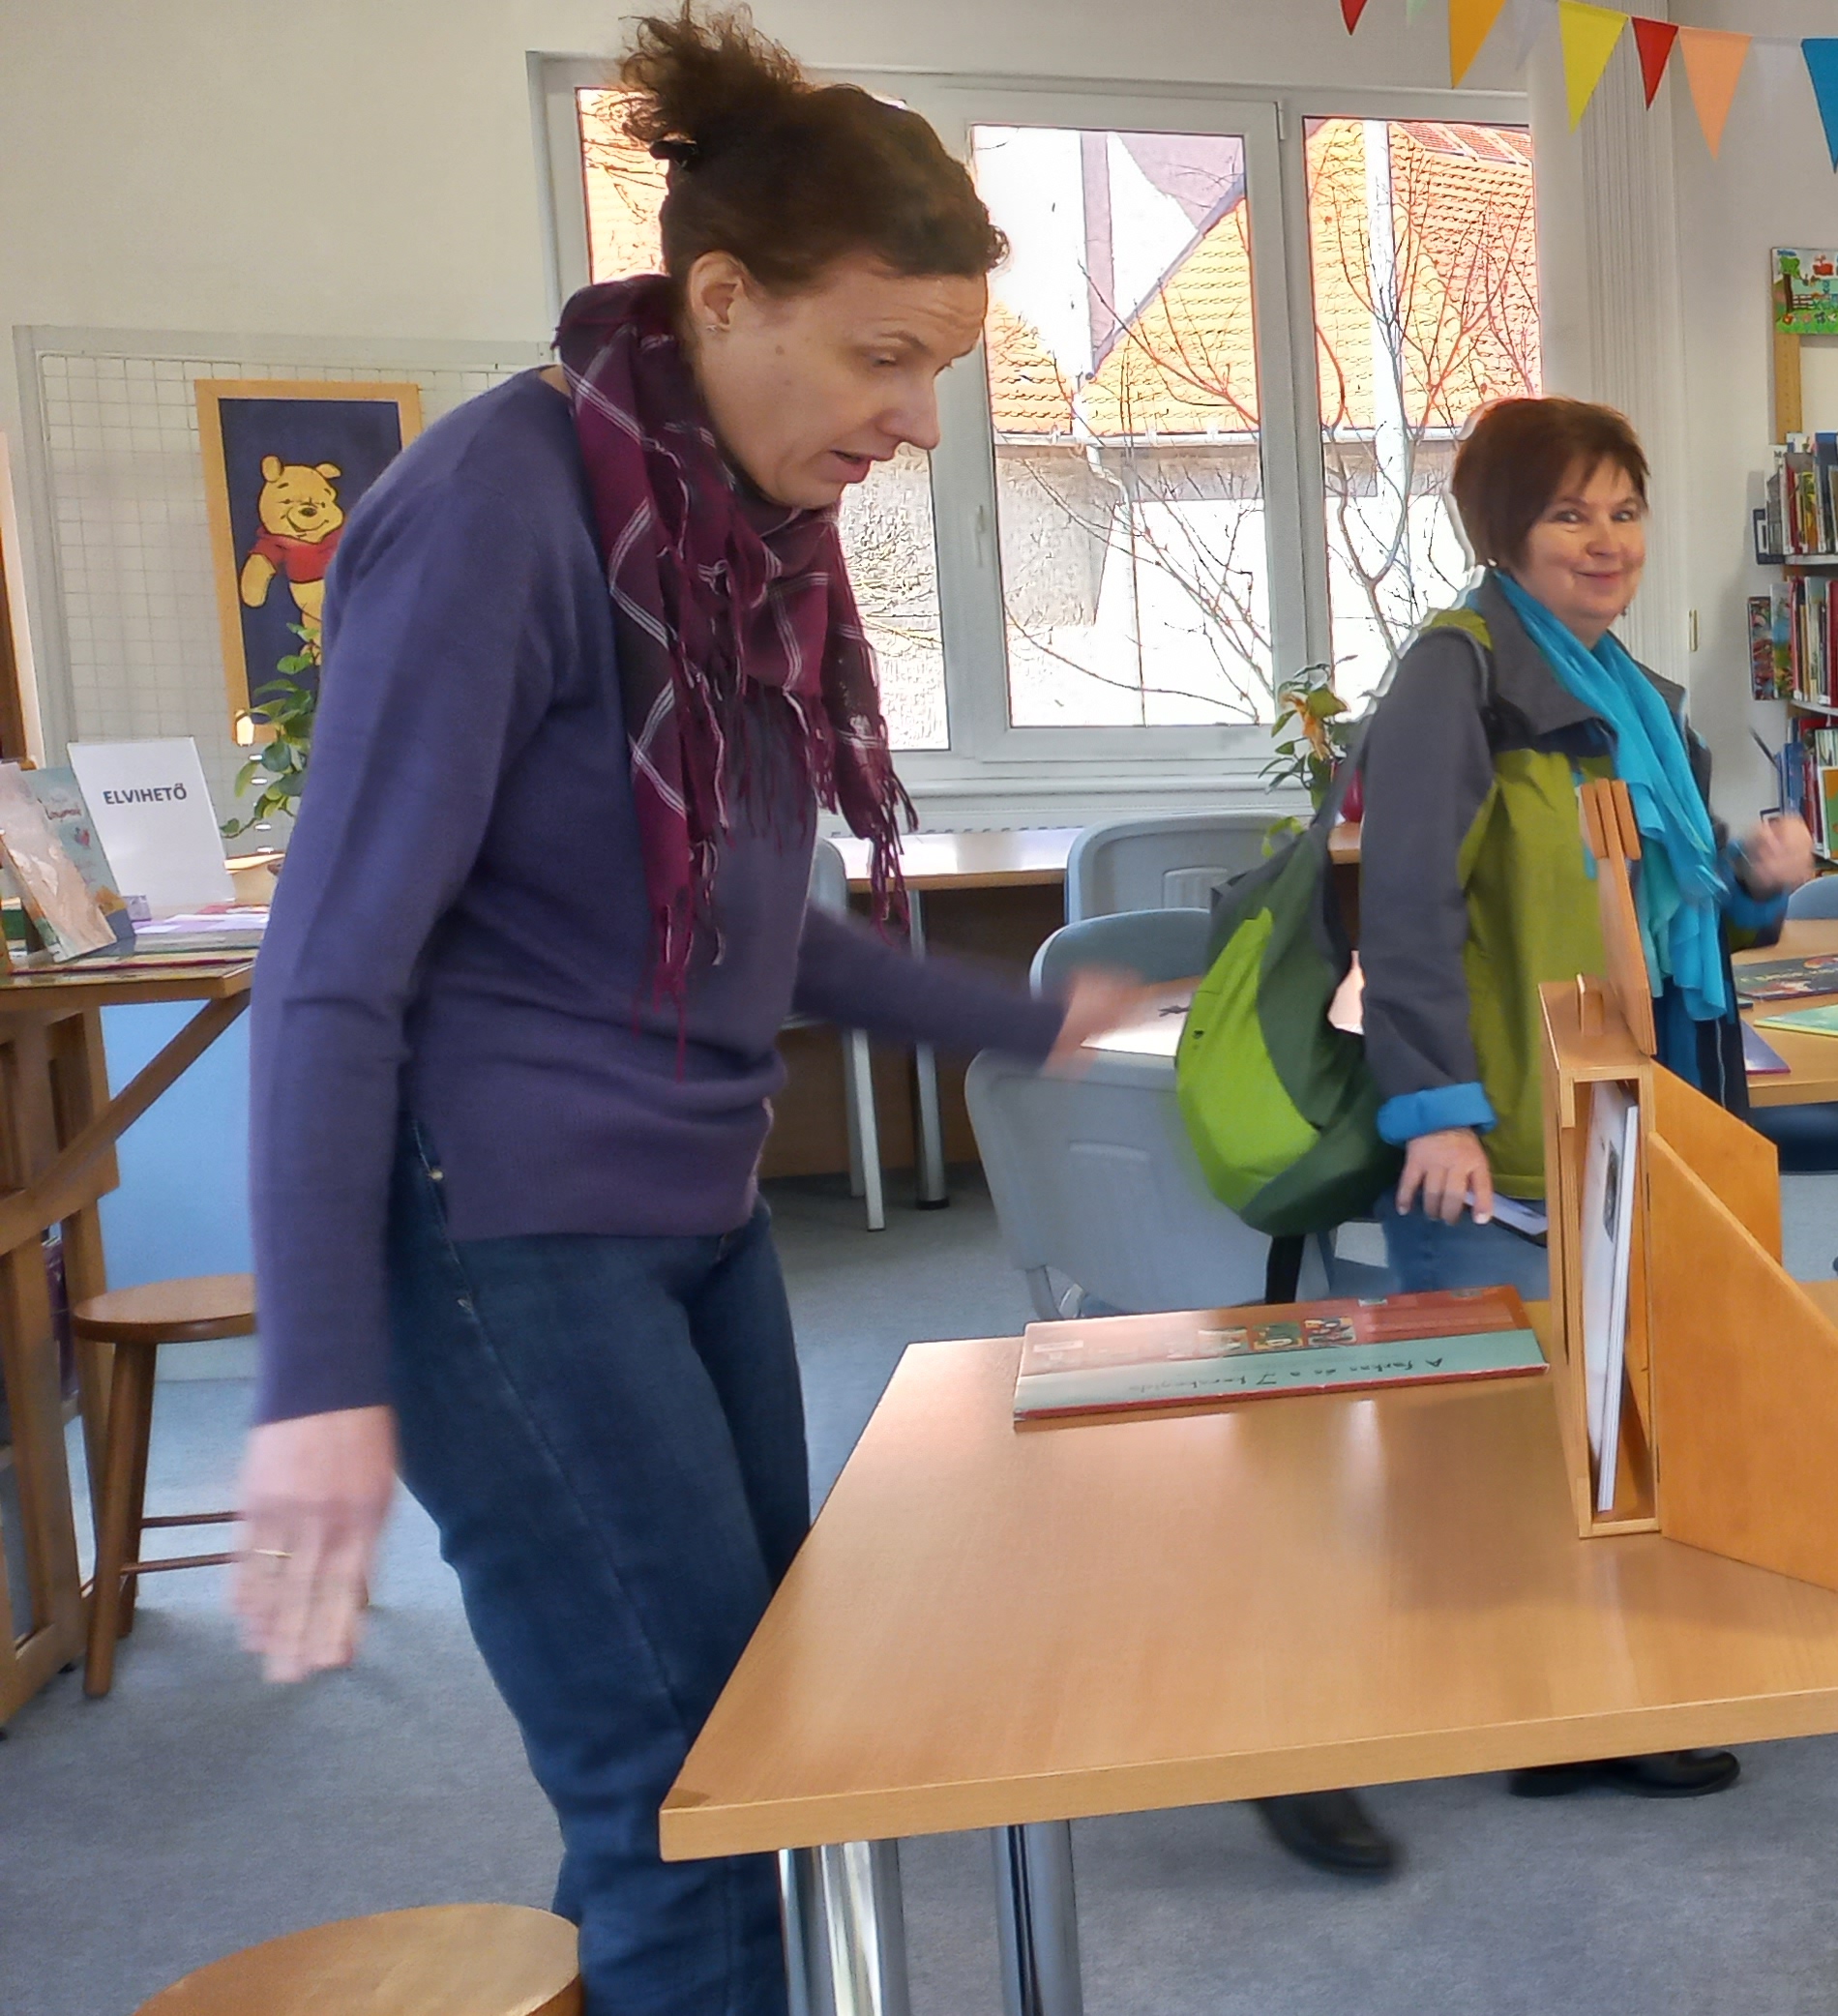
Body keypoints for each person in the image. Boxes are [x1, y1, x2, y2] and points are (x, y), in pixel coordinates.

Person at [223, 12, 1147, 2009]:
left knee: (749, 1733)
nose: (915, 422)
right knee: (685, 1797)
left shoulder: (733, 541)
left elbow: (741, 923)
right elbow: (328, 965)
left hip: (690, 1214)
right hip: (506, 1240)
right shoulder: (496, 510)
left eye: (939, 370)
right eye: (883, 356)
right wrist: (315, 1376)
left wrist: (1024, 1017)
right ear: (723, 298)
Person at [1278, 394, 1819, 1875]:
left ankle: (1586, 1701)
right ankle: (1406, 1712)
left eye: (1625, 510)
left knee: (1612, 1404)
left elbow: (1658, 898)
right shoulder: (1458, 675)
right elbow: (1406, 905)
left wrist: (1755, 881)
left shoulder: (1629, 690)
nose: (1606, 539)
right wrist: (1436, 1109)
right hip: (1506, 1117)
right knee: (1489, 1429)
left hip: (1638, 1087)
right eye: (1571, 512)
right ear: (1505, 531)